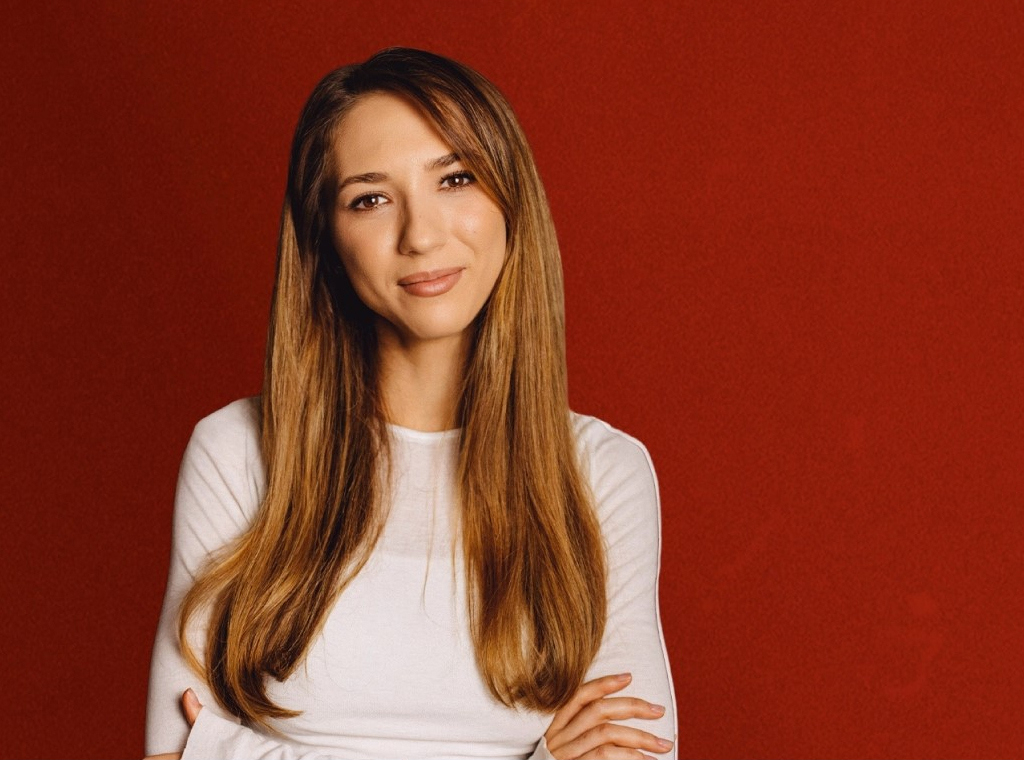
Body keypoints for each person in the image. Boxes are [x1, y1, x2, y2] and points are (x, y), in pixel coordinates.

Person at [145, 47, 677, 760]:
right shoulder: (237, 452)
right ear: (326, 239)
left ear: (511, 201)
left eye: (456, 179)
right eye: (370, 198)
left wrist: (231, 751)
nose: (420, 236)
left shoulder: (602, 474)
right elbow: (171, 753)